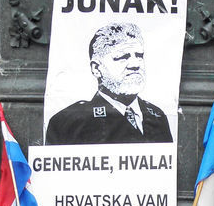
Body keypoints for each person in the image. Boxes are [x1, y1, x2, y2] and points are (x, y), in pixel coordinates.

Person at [44, 22, 173, 144]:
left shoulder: (157, 116)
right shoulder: (68, 122)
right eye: (123, 57)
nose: (135, 65)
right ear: (96, 68)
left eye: (139, 55)